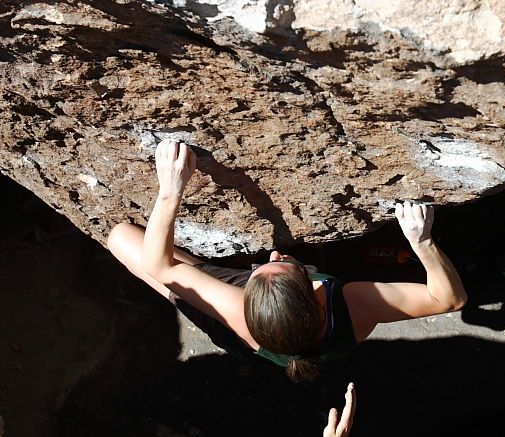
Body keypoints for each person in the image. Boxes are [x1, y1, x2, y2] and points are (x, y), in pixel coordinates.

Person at [107, 140, 467, 382]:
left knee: (122, 238)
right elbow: (450, 299)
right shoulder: (355, 306)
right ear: (316, 293)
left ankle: (190, 290)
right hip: (270, 333)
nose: (273, 253)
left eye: (262, 266)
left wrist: (170, 190)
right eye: (280, 264)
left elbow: (160, 267)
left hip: (241, 337)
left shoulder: (235, 308)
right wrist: (422, 243)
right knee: (172, 268)